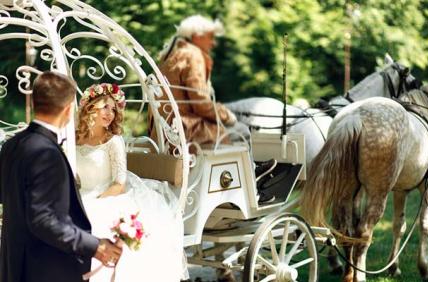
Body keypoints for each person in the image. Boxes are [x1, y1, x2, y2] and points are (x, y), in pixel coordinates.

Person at [0, 71, 122, 282]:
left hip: (13, 262)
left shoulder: (12, 145)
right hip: (44, 268)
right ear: (67, 110)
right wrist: (95, 246)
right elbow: (43, 220)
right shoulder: (47, 153)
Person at [149, 15, 276, 204]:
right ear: (197, 36)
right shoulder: (193, 55)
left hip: (163, 130)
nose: (213, 43)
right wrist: (227, 115)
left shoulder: (171, 54)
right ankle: (252, 187)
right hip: (186, 128)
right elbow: (200, 101)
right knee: (241, 131)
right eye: (210, 37)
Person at [76, 83, 186, 282]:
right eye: (105, 107)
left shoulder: (113, 141)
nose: (110, 113)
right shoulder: (74, 139)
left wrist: (92, 202)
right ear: (90, 107)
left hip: (111, 195)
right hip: (82, 194)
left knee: (94, 220)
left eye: (114, 109)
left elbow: (119, 183)